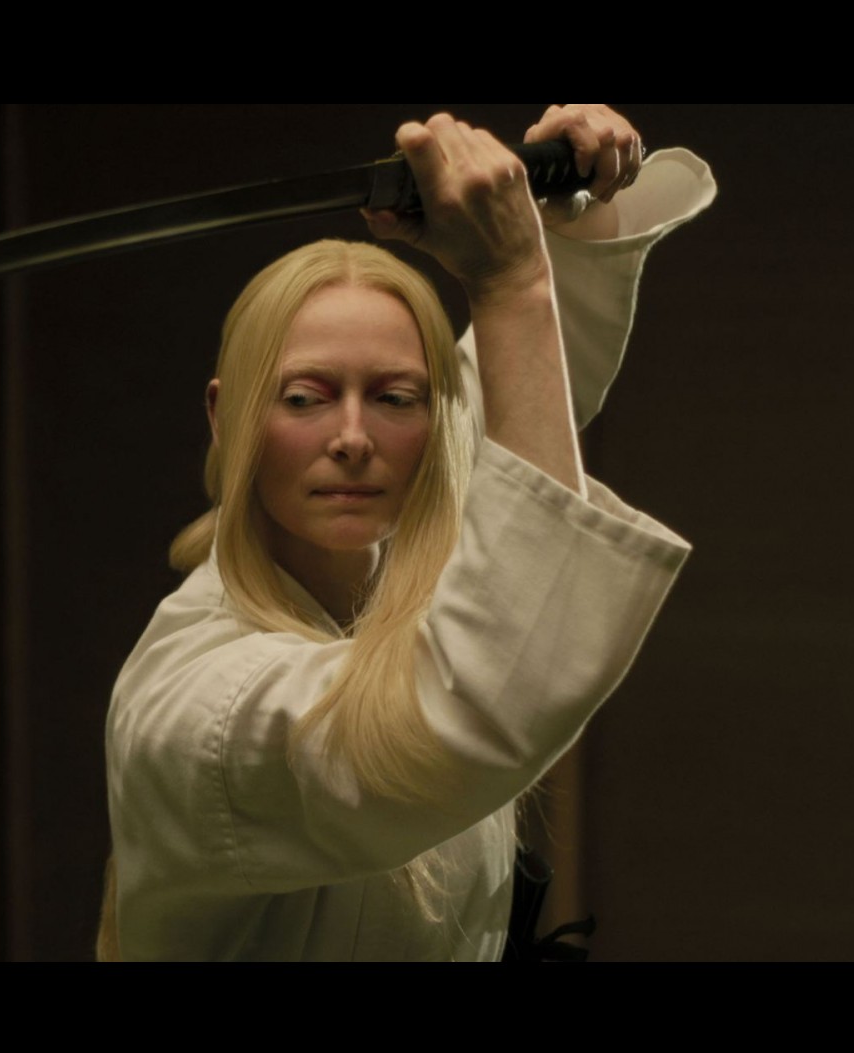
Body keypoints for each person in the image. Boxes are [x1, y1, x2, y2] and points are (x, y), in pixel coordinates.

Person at [101, 106, 716, 961]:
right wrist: (509, 282)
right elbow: (461, 709)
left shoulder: (409, 523)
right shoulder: (196, 706)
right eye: (306, 398)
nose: (354, 438)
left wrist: (561, 220)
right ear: (226, 414)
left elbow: (517, 398)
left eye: (395, 398)